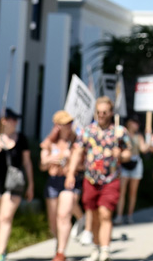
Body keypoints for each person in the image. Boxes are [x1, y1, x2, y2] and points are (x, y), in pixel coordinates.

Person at [66, 97, 130, 261]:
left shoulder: (119, 132)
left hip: (111, 179)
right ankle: (96, 247)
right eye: (98, 112)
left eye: (104, 112)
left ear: (111, 113)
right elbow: (77, 152)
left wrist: (121, 155)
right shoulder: (87, 131)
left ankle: (105, 250)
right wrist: (71, 173)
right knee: (93, 215)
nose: (101, 115)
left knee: (105, 214)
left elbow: (130, 153)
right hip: (91, 179)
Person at [0, 109, 34, 261]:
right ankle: (2, 247)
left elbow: (27, 163)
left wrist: (31, 185)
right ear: (4, 121)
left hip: (14, 184)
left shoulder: (21, 139)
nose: (16, 123)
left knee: (5, 217)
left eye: (17, 120)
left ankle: (0, 254)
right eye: (13, 119)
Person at [41, 110, 81, 261]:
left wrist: (73, 159)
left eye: (70, 122)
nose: (69, 126)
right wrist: (54, 157)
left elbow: (83, 163)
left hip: (69, 181)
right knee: (53, 221)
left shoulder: (76, 140)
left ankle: (61, 252)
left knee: (63, 215)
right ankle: (59, 244)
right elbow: (42, 164)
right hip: (53, 181)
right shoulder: (50, 142)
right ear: (57, 126)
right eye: (65, 123)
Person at [115, 117, 148, 225]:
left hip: (136, 163)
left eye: (138, 123)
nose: (137, 125)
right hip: (124, 164)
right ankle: (119, 216)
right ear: (129, 123)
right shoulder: (121, 134)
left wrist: (149, 137)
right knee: (122, 192)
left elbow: (144, 149)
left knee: (132, 193)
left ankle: (129, 216)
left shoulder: (139, 136)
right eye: (135, 122)